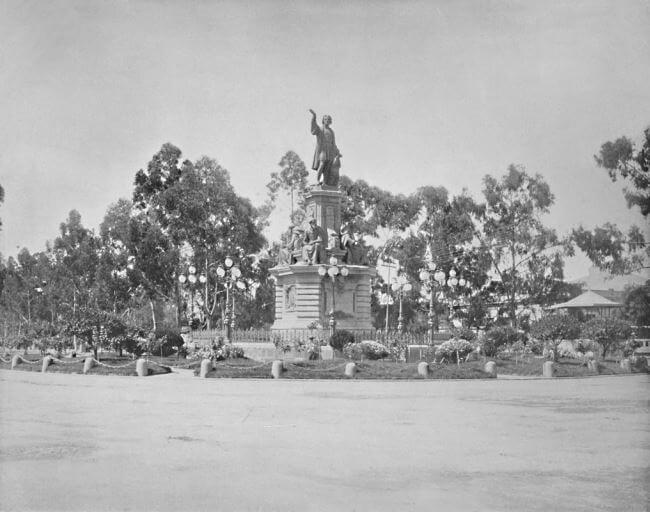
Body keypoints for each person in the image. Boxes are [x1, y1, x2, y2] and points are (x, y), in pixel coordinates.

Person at [309, 108, 342, 186]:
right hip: (322, 150)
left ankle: (324, 182)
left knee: (327, 168)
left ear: (330, 121)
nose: (327, 120)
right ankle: (317, 180)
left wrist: (337, 152)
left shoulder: (331, 131)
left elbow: (333, 143)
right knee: (321, 164)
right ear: (323, 120)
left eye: (328, 119)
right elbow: (314, 129)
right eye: (325, 119)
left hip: (330, 150)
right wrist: (314, 117)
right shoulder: (320, 129)